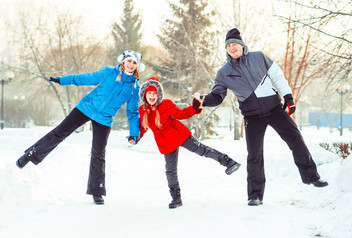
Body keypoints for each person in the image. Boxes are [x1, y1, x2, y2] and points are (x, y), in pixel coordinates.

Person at [197, 28, 328, 206]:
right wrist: (203, 101)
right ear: (226, 49)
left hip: (274, 108)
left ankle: (311, 177)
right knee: (254, 155)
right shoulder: (224, 73)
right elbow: (218, 96)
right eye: (228, 45)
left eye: (235, 43)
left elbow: (277, 75)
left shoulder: (259, 57)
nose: (232, 47)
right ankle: (255, 195)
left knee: (296, 139)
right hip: (252, 116)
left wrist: (288, 96)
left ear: (242, 45)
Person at [16, 50, 145, 205]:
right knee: (59, 132)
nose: (131, 65)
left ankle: (97, 191)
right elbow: (85, 78)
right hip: (86, 107)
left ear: (137, 66)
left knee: (99, 153)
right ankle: (30, 155)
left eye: (134, 63)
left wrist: (134, 133)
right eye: (129, 61)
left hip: (105, 118)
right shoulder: (108, 72)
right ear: (123, 61)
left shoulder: (134, 88)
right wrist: (63, 80)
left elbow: (132, 112)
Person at [138, 76, 241, 209]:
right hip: (166, 144)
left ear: (158, 95)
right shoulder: (142, 111)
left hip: (179, 135)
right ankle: (176, 198)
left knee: (202, 150)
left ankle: (228, 162)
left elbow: (182, 114)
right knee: (170, 171)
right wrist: (135, 136)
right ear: (144, 95)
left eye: (154, 93)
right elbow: (142, 127)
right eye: (149, 93)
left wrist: (195, 106)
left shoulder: (166, 104)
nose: (152, 96)